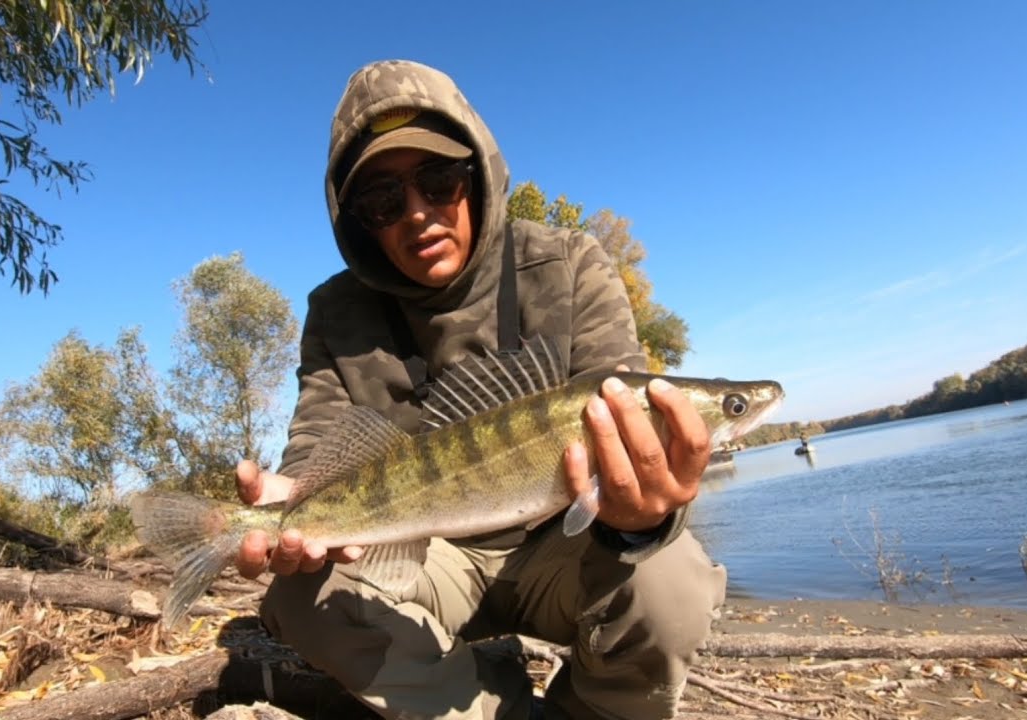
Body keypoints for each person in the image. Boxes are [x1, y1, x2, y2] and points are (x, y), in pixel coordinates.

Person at [233, 59, 727, 720]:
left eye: (438, 179)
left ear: (477, 174)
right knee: (298, 596)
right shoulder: (335, 314)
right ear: (358, 221)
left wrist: (643, 521)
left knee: (670, 580)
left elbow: (627, 428)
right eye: (382, 200)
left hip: (563, 552)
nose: (416, 214)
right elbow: (318, 441)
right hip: (421, 564)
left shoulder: (568, 264)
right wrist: (293, 499)